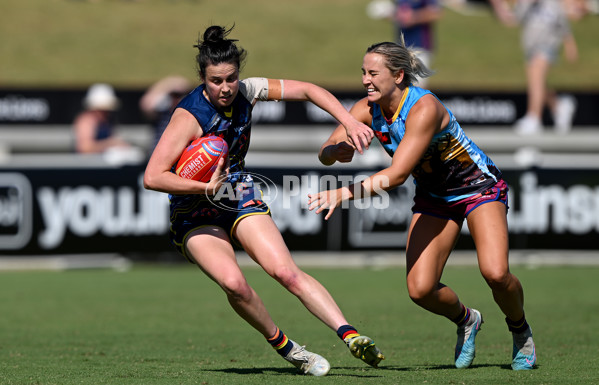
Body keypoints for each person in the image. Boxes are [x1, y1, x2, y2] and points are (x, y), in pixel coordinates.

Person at [143, 25, 384, 376]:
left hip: (237, 192)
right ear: (202, 78)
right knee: (234, 284)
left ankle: (350, 335)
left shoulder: (249, 89)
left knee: (285, 272)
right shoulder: (188, 116)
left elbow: (308, 90)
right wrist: (204, 189)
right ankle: (290, 350)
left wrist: (347, 120)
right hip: (193, 208)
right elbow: (153, 177)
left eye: (231, 78)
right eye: (216, 81)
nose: (225, 88)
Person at [307, 38, 537, 370]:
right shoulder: (365, 109)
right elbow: (327, 149)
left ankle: (520, 330)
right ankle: (467, 319)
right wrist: (333, 151)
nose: (365, 80)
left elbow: (398, 174)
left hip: (477, 188)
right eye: (363, 73)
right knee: (420, 289)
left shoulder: (424, 108)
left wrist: (343, 193)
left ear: (398, 75)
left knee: (496, 273)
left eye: (373, 73)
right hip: (434, 197)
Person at [490, 0, 583, 135]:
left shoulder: (552, 3)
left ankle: (534, 117)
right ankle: (559, 106)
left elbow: (562, 22)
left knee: (536, 75)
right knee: (537, 82)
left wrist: (570, 45)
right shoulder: (526, 3)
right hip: (531, 46)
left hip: (547, 44)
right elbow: (516, 18)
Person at [139, 75, 193, 155]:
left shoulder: (190, 113)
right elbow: (146, 104)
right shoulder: (163, 112)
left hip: (178, 156)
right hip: (157, 154)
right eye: (174, 95)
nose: (176, 98)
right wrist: (168, 86)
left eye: (180, 95)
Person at [73, 83, 131, 153]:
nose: (105, 112)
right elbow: (84, 148)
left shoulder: (108, 120)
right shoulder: (86, 121)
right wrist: (111, 144)